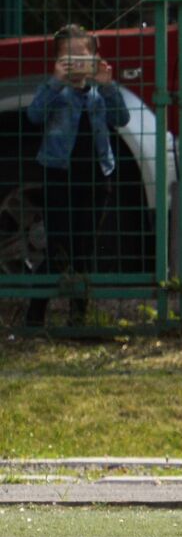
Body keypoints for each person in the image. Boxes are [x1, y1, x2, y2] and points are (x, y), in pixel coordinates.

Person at [24, 24, 130, 327]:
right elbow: (34, 115)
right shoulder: (55, 92)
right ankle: (35, 315)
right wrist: (55, 82)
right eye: (67, 58)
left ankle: (79, 316)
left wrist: (108, 85)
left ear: (95, 58)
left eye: (81, 57)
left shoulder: (100, 93)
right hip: (59, 177)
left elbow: (121, 118)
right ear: (58, 62)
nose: (75, 64)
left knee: (83, 249)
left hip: (96, 178)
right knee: (58, 247)